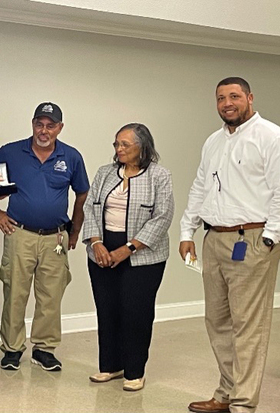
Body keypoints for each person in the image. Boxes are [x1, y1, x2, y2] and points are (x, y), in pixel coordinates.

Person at [179, 77, 280, 413]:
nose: (227, 103)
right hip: (214, 239)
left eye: (234, 96)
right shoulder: (213, 142)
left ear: (250, 98)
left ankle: (243, 405)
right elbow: (200, 186)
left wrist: (269, 238)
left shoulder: (274, 138)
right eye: (220, 98)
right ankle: (226, 392)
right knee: (217, 321)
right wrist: (186, 232)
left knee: (248, 326)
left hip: (252, 239)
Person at [0, 102, 90, 371]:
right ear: (32, 124)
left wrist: (75, 231)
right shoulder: (12, 152)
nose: (44, 131)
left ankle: (43, 348)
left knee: (51, 296)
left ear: (60, 128)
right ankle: (12, 348)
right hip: (20, 234)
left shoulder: (71, 157)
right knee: (15, 293)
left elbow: (82, 194)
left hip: (56, 237)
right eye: (39, 124)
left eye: (50, 125)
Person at [82, 123, 174, 391]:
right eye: (116, 144)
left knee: (136, 311)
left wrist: (129, 248)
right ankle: (110, 365)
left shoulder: (159, 175)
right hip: (102, 249)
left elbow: (163, 216)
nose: (118, 149)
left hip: (142, 254)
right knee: (107, 308)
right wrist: (96, 242)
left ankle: (134, 371)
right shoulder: (105, 173)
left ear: (142, 147)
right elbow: (90, 208)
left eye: (125, 144)